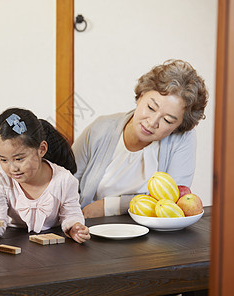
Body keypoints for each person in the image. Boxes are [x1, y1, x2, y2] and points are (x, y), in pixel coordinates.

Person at [72, 59, 208, 218]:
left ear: (179, 126)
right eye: (150, 107)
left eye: (168, 121)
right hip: (92, 230)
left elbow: (173, 201)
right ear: (141, 96)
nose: (152, 122)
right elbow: (64, 183)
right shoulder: (100, 129)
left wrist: (110, 206)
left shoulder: (182, 138)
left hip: (152, 236)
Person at [0, 108, 90, 243]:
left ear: (41, 149)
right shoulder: (1, 181)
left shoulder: (64, 180)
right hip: (14, 243)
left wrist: (74, 227)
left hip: (55, 248)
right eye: (3, 160)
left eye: (19, 159)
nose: (12, 168)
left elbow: (71, 214)